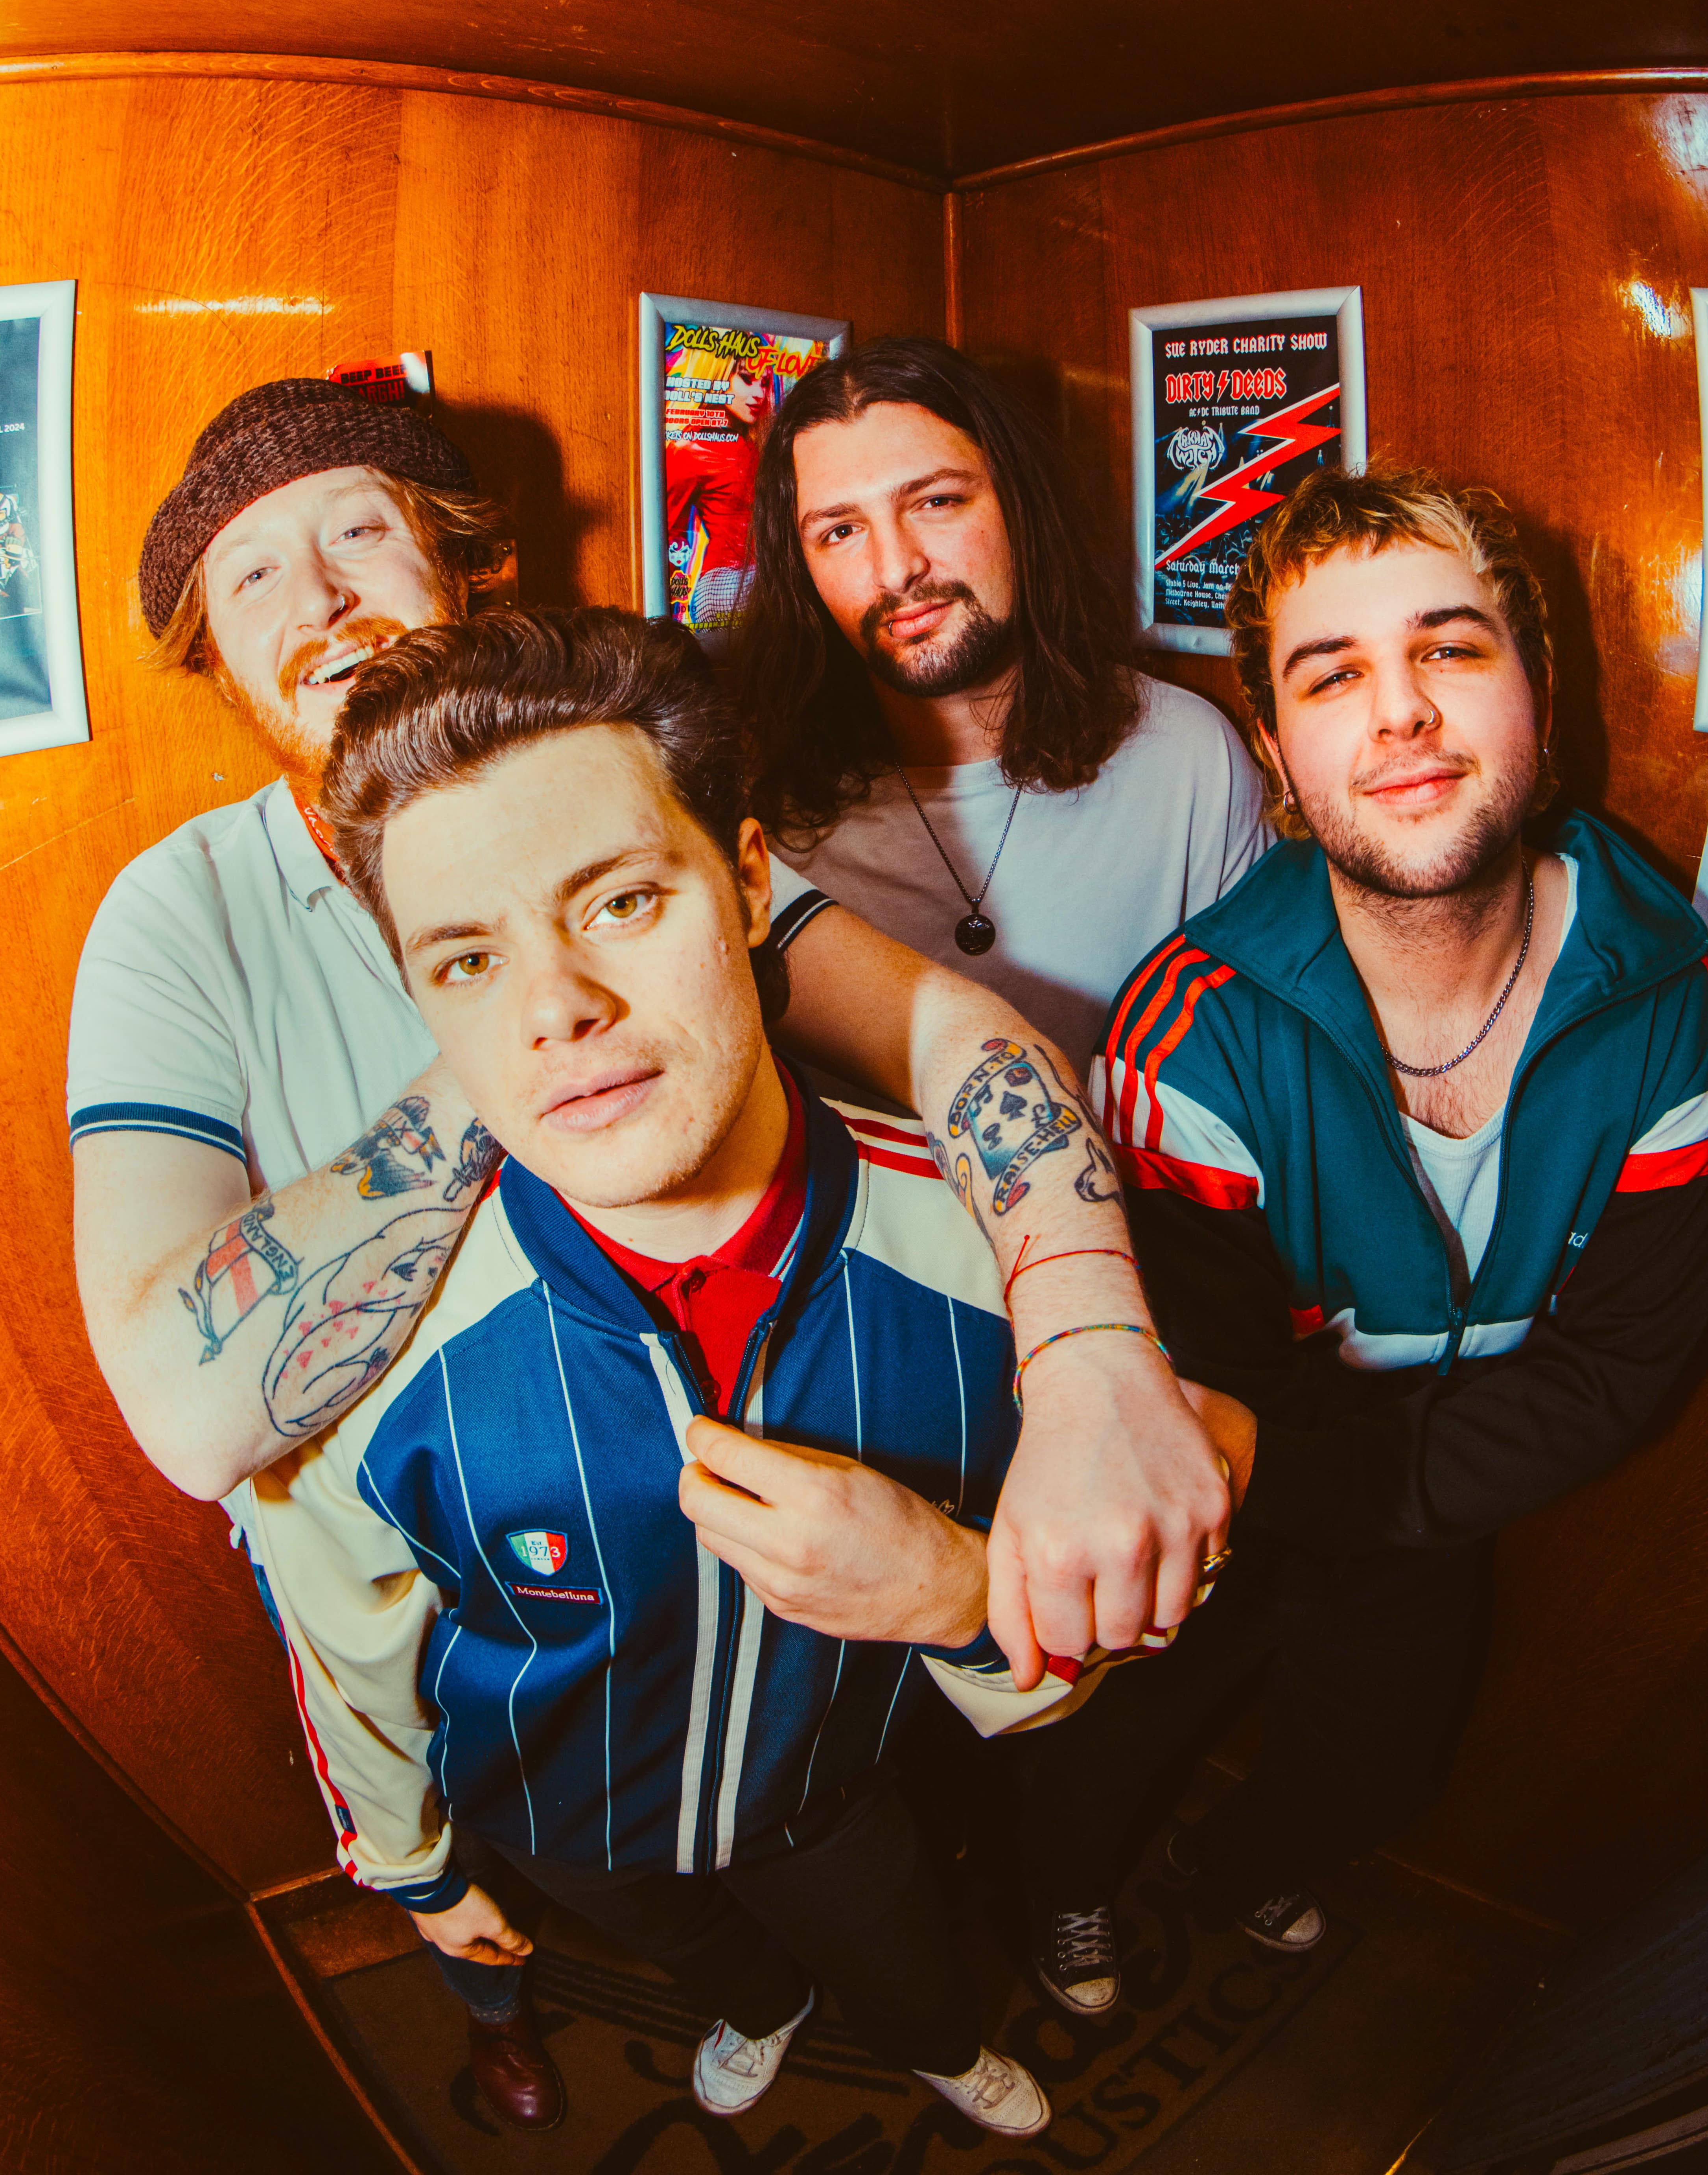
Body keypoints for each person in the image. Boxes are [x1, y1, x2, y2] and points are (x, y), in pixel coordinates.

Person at [68, 378, 1229, 2119]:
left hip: (741, 1454)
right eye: (251, 577)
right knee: (595, 1852)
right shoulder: (180, 915)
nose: (318, 598)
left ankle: (932, 2032)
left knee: (832, 1814)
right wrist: (524, 1012)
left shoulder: (623, 791)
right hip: (427, 1537)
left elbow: (954, 1040)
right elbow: (186, 1411)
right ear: (217, 660)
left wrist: (1087, 1355)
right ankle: (669, 1998)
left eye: (360, 530)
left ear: (465, 566)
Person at [244, 606, 1088, 2135]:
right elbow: (343, 1641)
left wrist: (960, 1593)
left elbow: (1083, 1631)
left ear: (750, 880)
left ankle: (941, 2049)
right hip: (558, 1811)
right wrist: (415, 1868)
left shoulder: (990, 1258)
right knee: (715, 1962)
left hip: (830, 1792)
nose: (555, 1006)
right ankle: (758, 2011)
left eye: (622, 901)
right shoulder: (363, 1354)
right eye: (468, 957)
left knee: (906, 1967)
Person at [1025, 460, 1708, 2008]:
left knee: (1376, 1765)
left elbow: (1620, 1368)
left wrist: (1395, 1505)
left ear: (1536, 690)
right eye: (1333, 675)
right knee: (1118, 1731)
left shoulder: (1672, 1010)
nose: (1401, 712)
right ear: (1275, 750)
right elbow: (1192, 1390)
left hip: (1429, 1496)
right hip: (1218, 1490)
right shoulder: (1187, 1034)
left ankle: (1241, 1871)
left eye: (1448, 648)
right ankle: (1066, 1890)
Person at [735, 337, 1268, 1077]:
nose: (897, 569)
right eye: (841, 531)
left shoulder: (1186, 760)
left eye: (937, 502)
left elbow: (1258, 1075)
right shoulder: (764, 812)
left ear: (1019, 503)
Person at [665, 354, 770, 636]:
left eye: (764, 383)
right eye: (746, 379)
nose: (759, 394)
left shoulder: (758, 448)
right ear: (719, 376)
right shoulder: (690, 449)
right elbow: (667, 534)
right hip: (722, 584)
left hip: (759, 581)